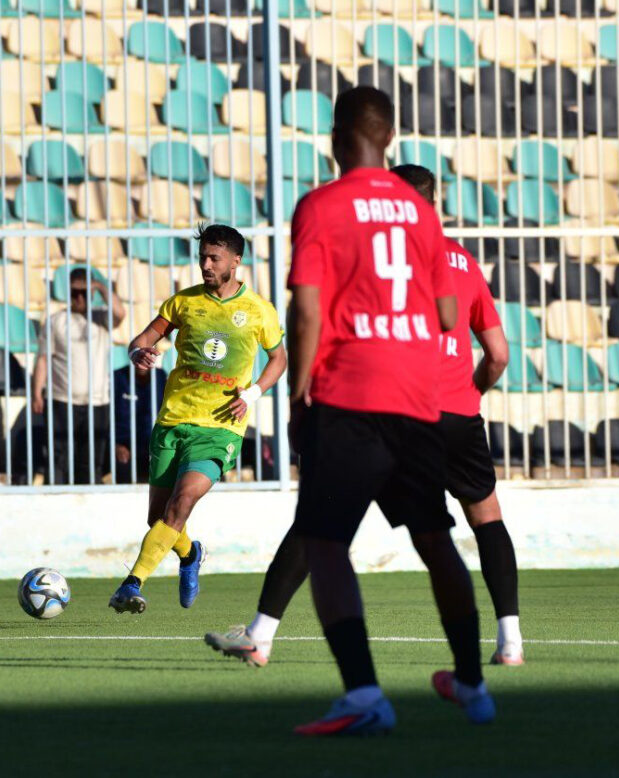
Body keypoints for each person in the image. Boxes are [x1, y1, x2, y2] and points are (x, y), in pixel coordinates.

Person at [210, 87, 494, 735]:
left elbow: (306, 310)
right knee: (435, 541)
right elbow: (449, 314)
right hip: (419, 398)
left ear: (337, 138)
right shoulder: (422, 215)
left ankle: (364, 694)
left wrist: (299, 392)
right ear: (389, 138)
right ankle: (473, 685)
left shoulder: (322, 205)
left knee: (327, 542)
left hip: (350, 396)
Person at [108, 224, 287, 614]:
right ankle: (190, 555)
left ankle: (131, 583)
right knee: (159, 519)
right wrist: (138, 353)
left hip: (221, 426)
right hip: (173, 421)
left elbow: (279, 359)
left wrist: (254, 392)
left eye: (214, 258)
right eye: (202, 257)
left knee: (183, 500)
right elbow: (141, 341)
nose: (205, 265)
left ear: (236, 262)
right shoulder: (183, 303)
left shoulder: (258, 310)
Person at [391, 163, 524, 665]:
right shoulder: (464, 262)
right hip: (460, 414)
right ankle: (510, 639)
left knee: (327, 516)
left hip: (398, 411)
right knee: (486, 518)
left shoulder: (388, 259)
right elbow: (499, 354)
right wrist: (472, 393)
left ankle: (263, 630)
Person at [31, 267, 125, 485]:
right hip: (62, 400)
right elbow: (44, 358)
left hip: (98, 401)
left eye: (84, 292)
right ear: (68, 292)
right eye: (75, 292)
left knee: (91, 461)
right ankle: (56, 500)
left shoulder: (102, 318)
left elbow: (120, 313)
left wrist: (100, 286)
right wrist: (37, 393)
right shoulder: (56, 321)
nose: (80, 297)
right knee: (59, 459)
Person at [112, 363, 168, 484]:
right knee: (122, 465)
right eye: (139, 354)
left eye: (147, 355)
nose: (143, 361)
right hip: (124, 445)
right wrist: (115, 445)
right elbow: (106, 416)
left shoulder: (160, 376)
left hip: (154, 444)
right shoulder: (117, 377)